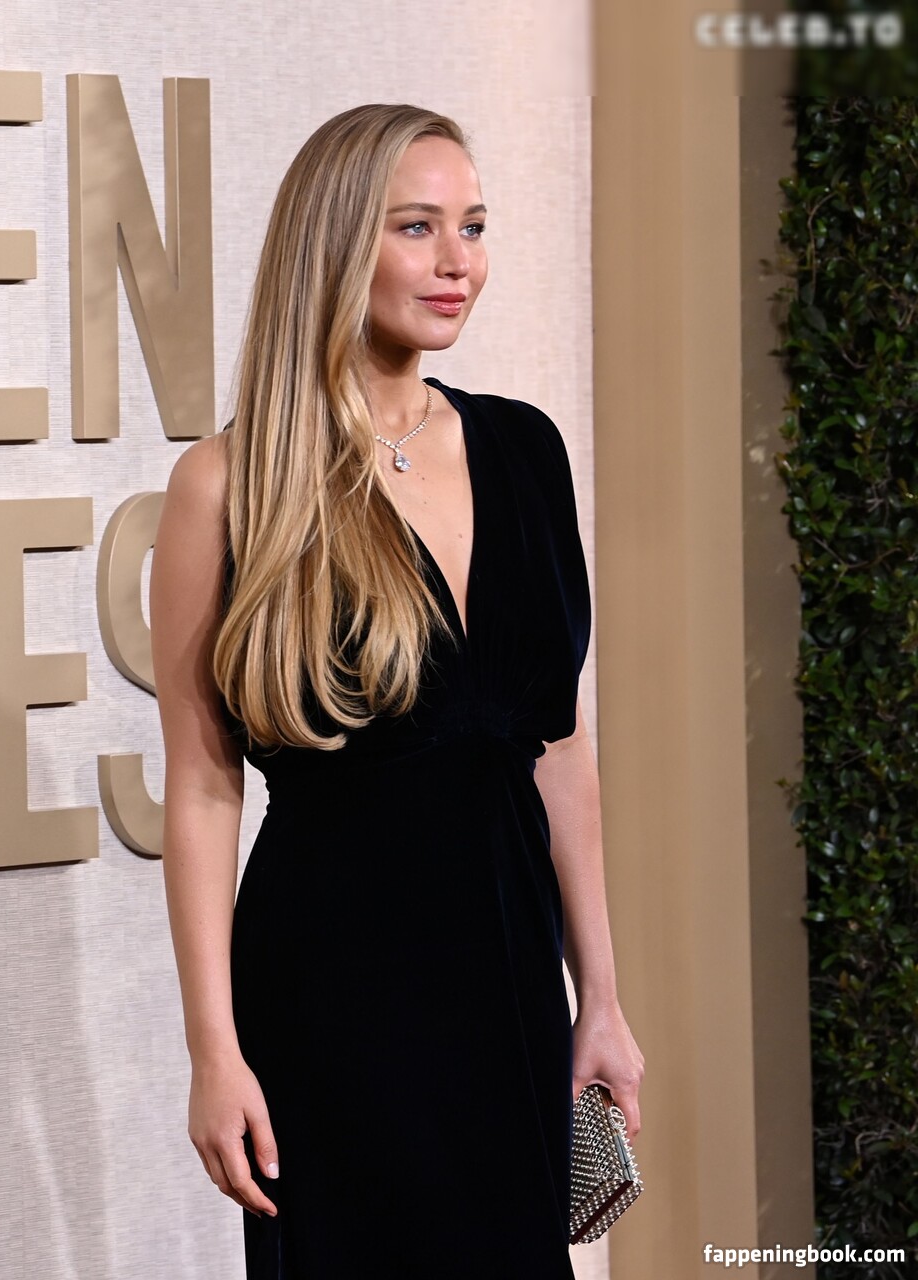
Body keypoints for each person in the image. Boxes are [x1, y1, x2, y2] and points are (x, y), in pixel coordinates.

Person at [150, 104, 647, 1278]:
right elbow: (203, 786)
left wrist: (601, 994)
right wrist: (213, 1049)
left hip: (510, 975)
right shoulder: (229, 485)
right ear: (334, 243)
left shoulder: (526, 450)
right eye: (416, 227)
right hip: (330, 996)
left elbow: (559, 748)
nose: (456, 260)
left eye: (472, 225)